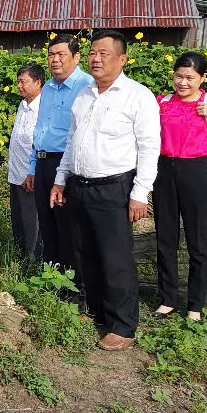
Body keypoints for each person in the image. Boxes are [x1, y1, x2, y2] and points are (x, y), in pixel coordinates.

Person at [50, 30, 160, 351]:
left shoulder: (138, 96)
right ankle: (97, 311)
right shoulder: (84, 94)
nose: (96, 59)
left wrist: (141, 192)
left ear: (122, 59)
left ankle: (123, 326)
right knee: (85, 253)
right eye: (93, 53)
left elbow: (149, 147)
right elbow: (72, 141)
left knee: (116, 258)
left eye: (104, 54)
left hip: (114, 188)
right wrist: (60, 179)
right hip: (79, 185)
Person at [153, 52, 207, 322]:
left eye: (190, 78)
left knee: (197, 242)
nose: (183, 83)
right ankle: (168, 299)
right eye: (179, 76)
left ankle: (195, 305)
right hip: (164, 171)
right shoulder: (162, 102)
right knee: (165, 238)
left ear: (203, 78)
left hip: (196, 171)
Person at [25, 35, 94, 279]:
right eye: (51, 54)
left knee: (68, 226)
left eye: (61, 54)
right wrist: (33, 166)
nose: (55, 59)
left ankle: (73, 284)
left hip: (66, 165)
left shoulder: (87, 86)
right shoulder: (49, 88)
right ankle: (51, 279)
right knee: (47, 224)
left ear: (76, 57)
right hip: (43, 163)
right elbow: (40, 129)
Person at [7, 62, 45, 263]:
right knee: (19, 221)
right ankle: (21, 258)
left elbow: (41, 145)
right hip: (16, 173)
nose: (19, 86)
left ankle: (34, 263)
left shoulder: (43, 108)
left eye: (24, 82)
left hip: (30, 176)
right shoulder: (23, 106)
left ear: (38, 82)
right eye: (18, 81)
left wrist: (34, 173)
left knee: (33, 223)